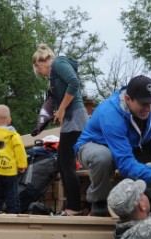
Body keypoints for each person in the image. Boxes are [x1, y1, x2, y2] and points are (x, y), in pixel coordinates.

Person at [74, 75, 151, 217]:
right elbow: (125, 164)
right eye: (144, 103)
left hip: (128, 145)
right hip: (94, 145)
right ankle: (99, 203)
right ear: (127, 99)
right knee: (102, 157)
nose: (149, 108)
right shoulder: (111, 114)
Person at [32, 44, 88, 216]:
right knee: (64, 163)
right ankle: (72, 207)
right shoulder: (54, 76)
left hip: (76, 116)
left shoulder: (58, 63)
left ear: (39, 63)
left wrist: (62, 109)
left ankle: (73, 208)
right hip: (70, 118)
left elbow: (74, 83)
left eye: (38, 70)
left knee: (65, 162)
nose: (41, 73)